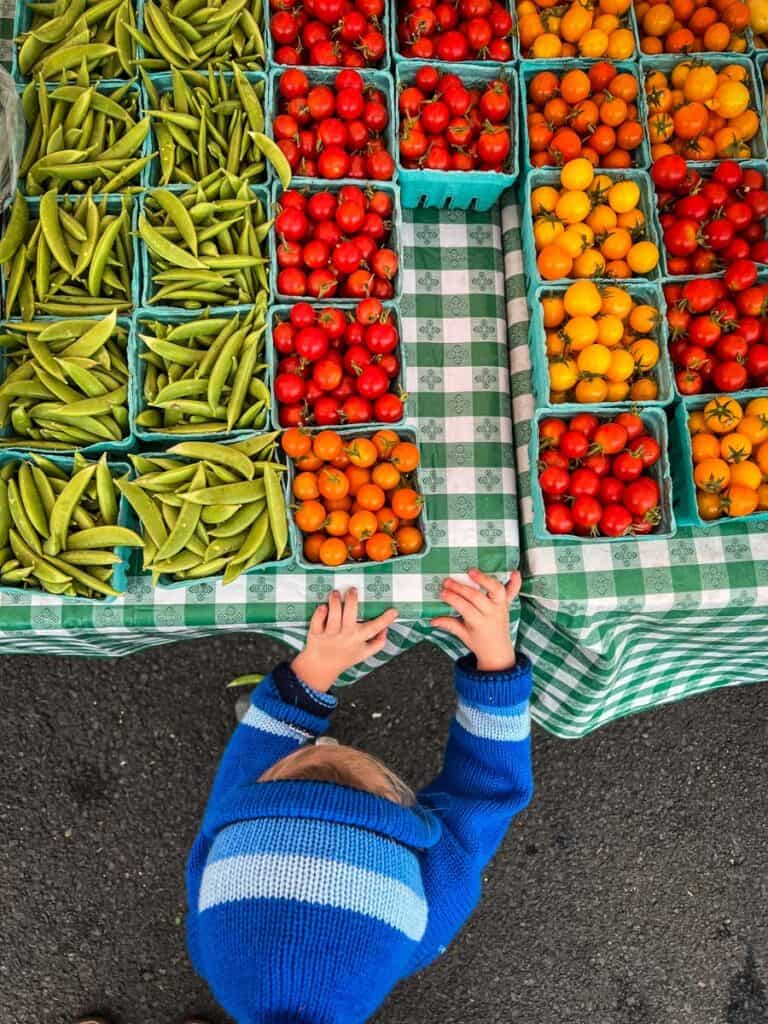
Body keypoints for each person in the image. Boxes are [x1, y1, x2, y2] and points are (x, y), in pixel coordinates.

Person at [186, 567, 534, 1024]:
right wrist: (496, 666)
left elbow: (252, 758)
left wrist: (312, 673)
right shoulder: (429, 916)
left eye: (283, 781)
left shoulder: (225, 878)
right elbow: (487, 788)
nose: (328, 749)